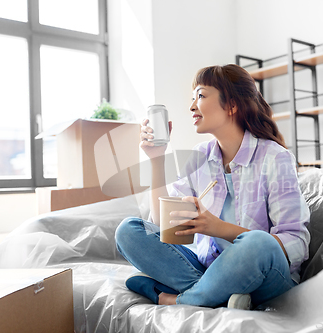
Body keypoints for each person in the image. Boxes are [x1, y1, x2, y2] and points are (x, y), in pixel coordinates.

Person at [116, 64, 310, 310]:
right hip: (209, 268)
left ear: (232, 105)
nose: (192, 106)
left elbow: (296, 241)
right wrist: (156, 158)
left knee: (258, 243)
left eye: (201, 95)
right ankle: (220, 295)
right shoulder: (199, 157)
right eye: (192, 98)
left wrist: (218, 228)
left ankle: (181, 298)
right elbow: (166, 228)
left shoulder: (275, 157)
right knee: (129, 230)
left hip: (263, 276)